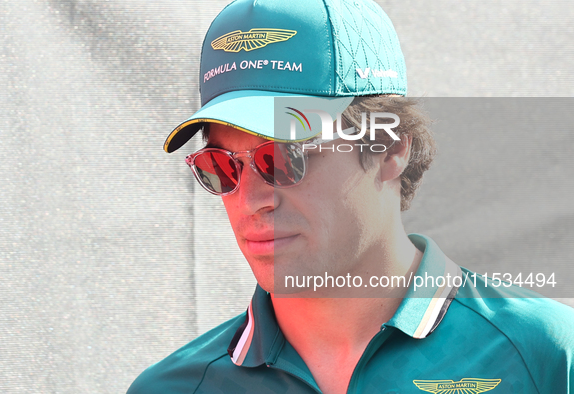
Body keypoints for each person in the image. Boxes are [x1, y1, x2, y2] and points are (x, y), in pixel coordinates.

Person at [128, 0, 574, 392]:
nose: (251, 200)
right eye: (221, 167)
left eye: (284, 157)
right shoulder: (174, 387)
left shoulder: (546, 356)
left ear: (391, 150)